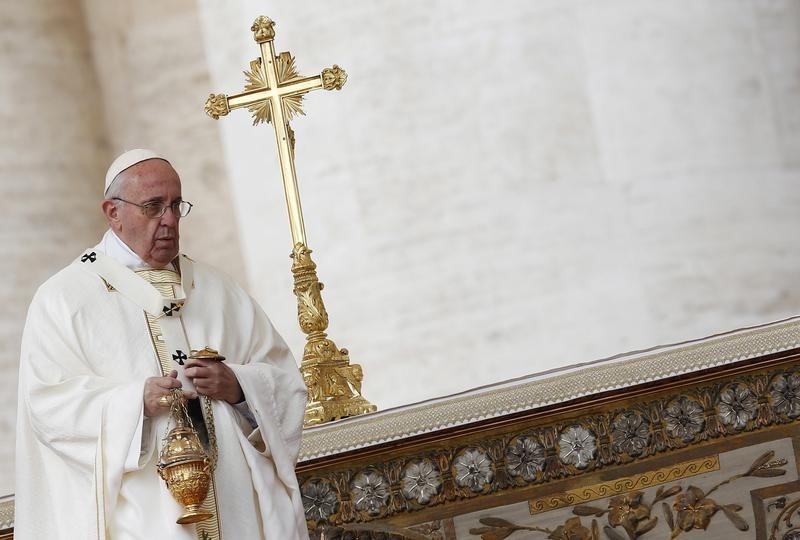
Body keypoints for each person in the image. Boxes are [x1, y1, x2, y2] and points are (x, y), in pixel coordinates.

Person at [15, 149, 310, 539]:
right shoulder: (64, 299)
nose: (169, 220)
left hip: (234, 506)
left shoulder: (219, 290)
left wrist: (239, 386)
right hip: (141, 517)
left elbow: (286, 382)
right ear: (113, 212)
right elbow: (48, 406)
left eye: (175, 205)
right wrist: (134, 401)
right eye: (153, 207)